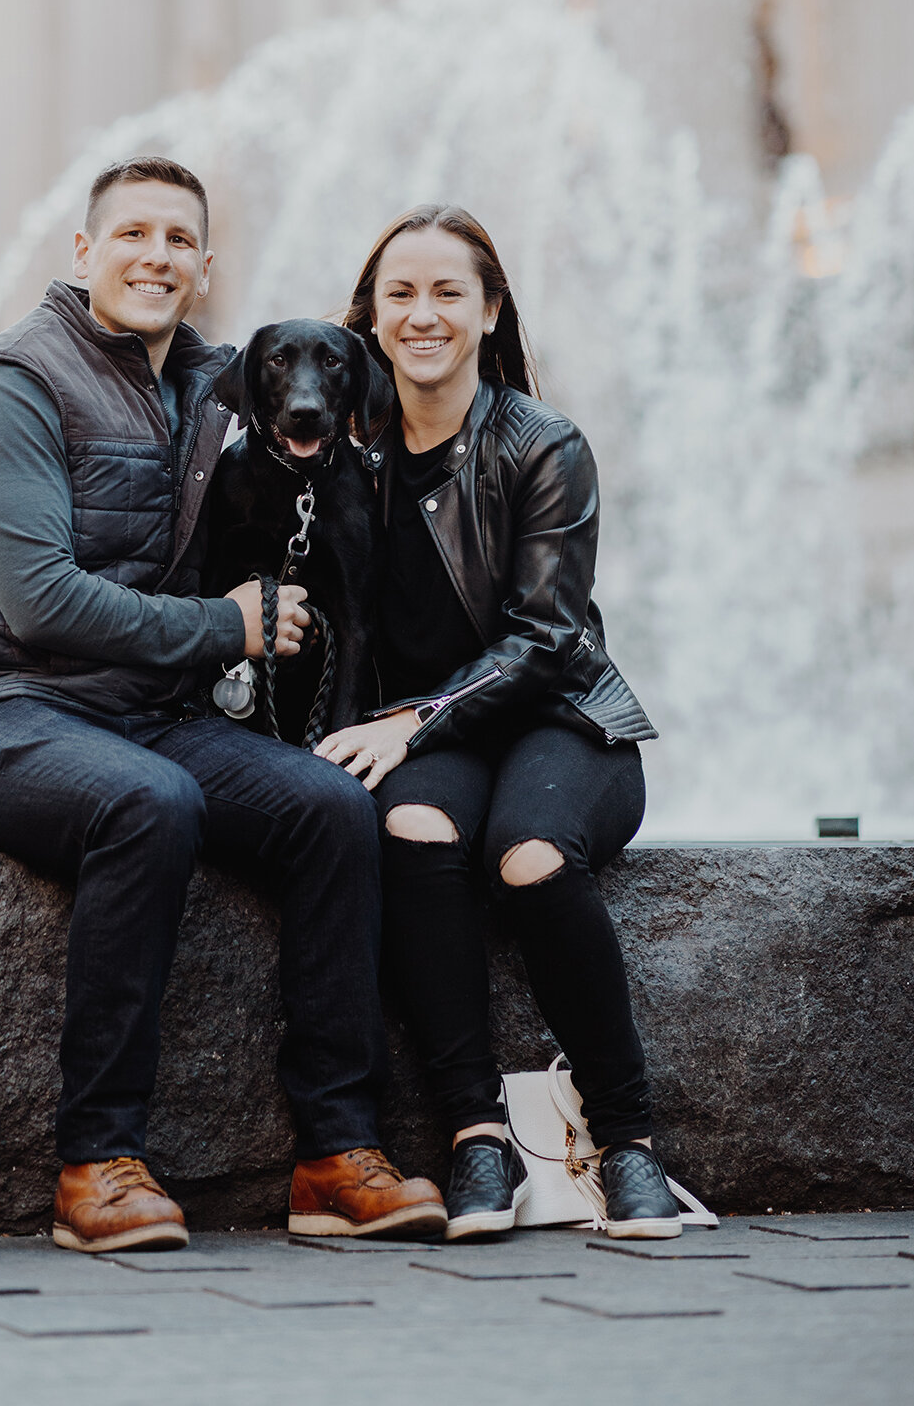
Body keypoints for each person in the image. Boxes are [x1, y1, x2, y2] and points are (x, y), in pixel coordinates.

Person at [0, 157, 445, 1253]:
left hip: (140, 713)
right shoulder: (11, 383)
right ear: (84, 251)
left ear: (203, 267)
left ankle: (336, 1154)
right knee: (149, 803)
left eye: (177, 240)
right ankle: (95, 1159)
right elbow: (40, 599)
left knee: (330, 806)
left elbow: (343, 386)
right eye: (132, 233)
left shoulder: (211, 380)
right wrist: (227, 628)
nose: (155, 255)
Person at [315, 204, 681, 1244]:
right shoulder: (345, 454)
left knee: (527, 854)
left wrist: (413, 719)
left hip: (562, 716)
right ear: (371, 316)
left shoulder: (542, 442)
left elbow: (546, 639)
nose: (421, 313)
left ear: (487, 309)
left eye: (445, 292)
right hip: (433, 739)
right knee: (412, 830)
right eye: (400, 293)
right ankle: (477, 1135)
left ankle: (629, 1142)